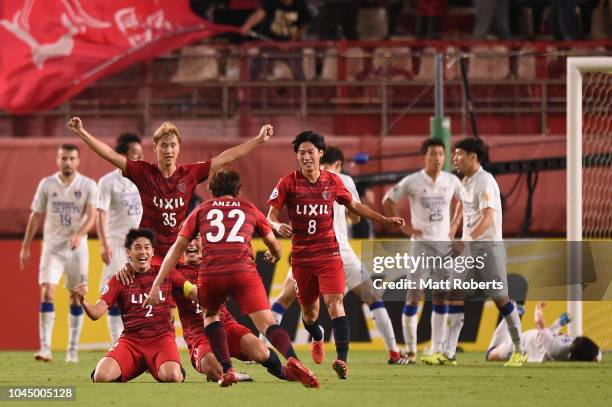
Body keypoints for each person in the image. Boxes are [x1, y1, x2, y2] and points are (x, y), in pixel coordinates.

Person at [144, 170, 319, 388]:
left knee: (221, 323)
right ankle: (291, 357)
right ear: (238, 190)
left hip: (215, 280)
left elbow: (173, 250)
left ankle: (240, 371)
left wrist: (156, 284)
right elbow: (275, 245)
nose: (192, 244)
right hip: (242, 272)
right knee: (267, 323)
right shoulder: (249, 208)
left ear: (211, 191)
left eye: (197, 239)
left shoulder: (201, 211)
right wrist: (274, 255)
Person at [267, 131, 405, 379]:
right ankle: (317, 335)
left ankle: (342, 360)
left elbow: (355, 207)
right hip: (302, 258)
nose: (306, 157)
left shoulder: (333, 181)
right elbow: (271, 217)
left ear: (320, 154)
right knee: (309, 315)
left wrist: (384, 219)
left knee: (335, 304)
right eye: (301, 153)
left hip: (330, 253)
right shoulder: (287, 182)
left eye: (310, 152)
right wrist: (277, 227)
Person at [67, 117, 272, 264]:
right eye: (164, 145)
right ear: (155, 148)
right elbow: (110, 155)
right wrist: (81, 132)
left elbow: (226, 158)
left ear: (179, 148)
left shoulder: (189, 174)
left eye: (173, 145)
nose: (169, 150)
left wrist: (258, 140)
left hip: (178, 252)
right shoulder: (143, 172)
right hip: (150, 254)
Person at [423, 137, 527, 367]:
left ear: (473, 157)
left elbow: (488, 217)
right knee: (454, 293)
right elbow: (462, 202)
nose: (454, 158)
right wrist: (454, 224)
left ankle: (520, 349)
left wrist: (464, 240)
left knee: (501, 300)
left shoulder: (485, 181)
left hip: (488, 248)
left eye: (459, 154)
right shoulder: (467, 181)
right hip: (469, 248)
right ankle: (448, 354)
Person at [172, 234, 315, 384]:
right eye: (188, 239)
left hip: (226, 326)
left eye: (196, 239)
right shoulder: (174, 271)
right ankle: (234, 374)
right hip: (198, 335)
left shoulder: (215, 265)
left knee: (261, 352)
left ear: (204, 242)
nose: (191, 243)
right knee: (211, 367)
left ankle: (283, 372)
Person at [382, 138, 463, 363]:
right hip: (420, 245)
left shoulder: (451, 180)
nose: (437, 158)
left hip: (444, 246)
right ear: (423, 157)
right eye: (432, 154)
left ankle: (436, 349)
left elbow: (464, 200)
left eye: (440, 154)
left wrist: (455, 224)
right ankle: (410, 349)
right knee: (414, 297)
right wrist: (405, 227)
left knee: (441, 297)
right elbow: (388, 200)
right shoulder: (413, 181)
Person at [74, 228, 190, 383]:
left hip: (162, 339)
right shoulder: (119, 280)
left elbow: (191, 289)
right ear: (128, 252)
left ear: (152, 252)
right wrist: (83, 300)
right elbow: (96, 313)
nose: (143, 252)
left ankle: (163, 365)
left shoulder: (166, 273)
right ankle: (139, 363)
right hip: (132, 340)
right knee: (100, 377)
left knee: (173, 377)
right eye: (137, 248)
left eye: (146, 248)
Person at [20, 144, 97, 363]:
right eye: (64, 158)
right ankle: (45, 348)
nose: (68, 163)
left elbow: (91, 215)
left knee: (76, 297)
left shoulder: (88, 185)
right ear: (57, 160)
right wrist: (25, 246)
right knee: (47, 292)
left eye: (72, 158)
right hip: (52, 247)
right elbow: (36, 216)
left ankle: (72, 349)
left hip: (76, 249)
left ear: (78, 161)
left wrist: (79, 234)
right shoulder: (47, 184)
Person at [96, 133, 143, 345]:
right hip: (116, 244)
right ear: (122, 156)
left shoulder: (143, 179)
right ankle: (117, 341)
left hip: (139, 247)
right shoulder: (107, 182)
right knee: (115, 293)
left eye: (140, 154)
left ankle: (134, 340)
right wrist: (104, 244)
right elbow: (101, 213)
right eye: (135, 154)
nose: (139, 158)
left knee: (137, 295)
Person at [487, 302, 602, 363]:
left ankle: (514, 314)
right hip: (531, 342)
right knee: (491, 354)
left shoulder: (557, 351)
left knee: (490, 355)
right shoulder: (593, 353)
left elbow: (540, 325)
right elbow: (550, 335)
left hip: (527, 345)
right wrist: (559, 323)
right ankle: (514, 314)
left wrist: (537, 310)